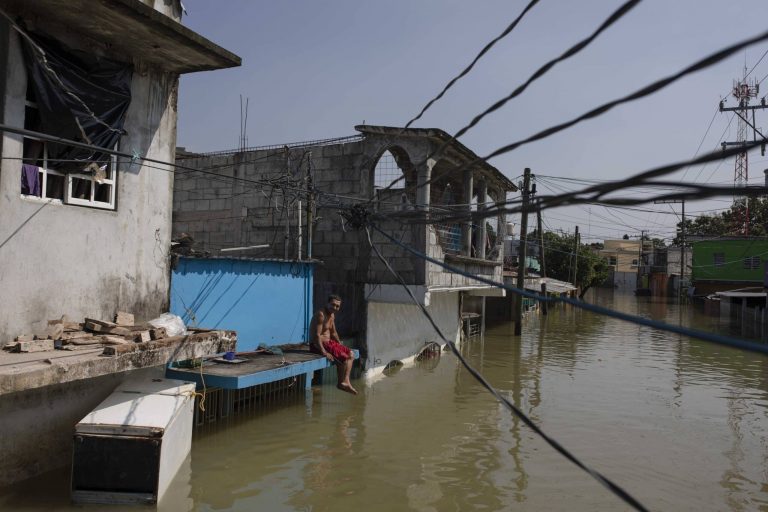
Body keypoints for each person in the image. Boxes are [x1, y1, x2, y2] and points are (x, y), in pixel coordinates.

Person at [309, 294, 357, 395]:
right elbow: (316, 336)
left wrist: (340, 345)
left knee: (351, 354)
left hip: (329, 343)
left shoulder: (332, 315)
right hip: (318, 344)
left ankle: (345, 381)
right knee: (344, 358)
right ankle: (341, 383)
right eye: (333, 305)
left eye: (337, 306)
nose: (335, 308)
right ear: (327, 303)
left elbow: (333, 332)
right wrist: (324, 352)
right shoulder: (321, 314)